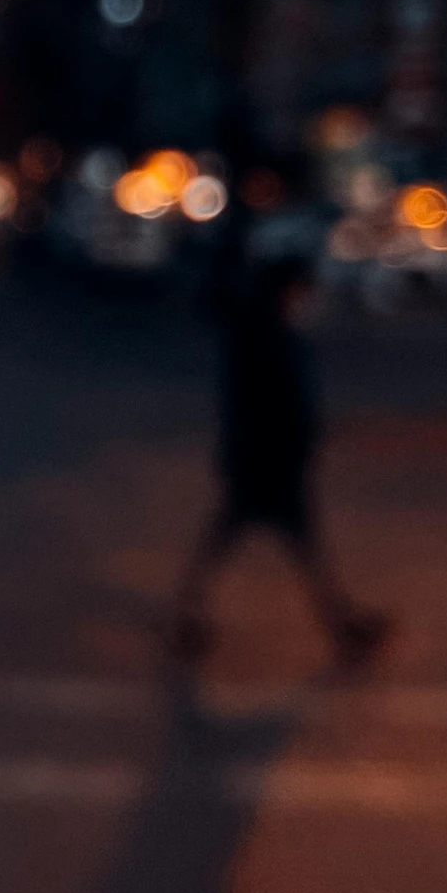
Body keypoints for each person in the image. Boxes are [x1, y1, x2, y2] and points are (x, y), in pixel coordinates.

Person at [171, 256, 389, 671]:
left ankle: (341, 625)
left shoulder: (269, 332)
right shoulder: (262, 336)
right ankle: (342, 626)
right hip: (267, 463)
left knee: (244, 539)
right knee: (286, 544)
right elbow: (262, 404)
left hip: (268, 461)